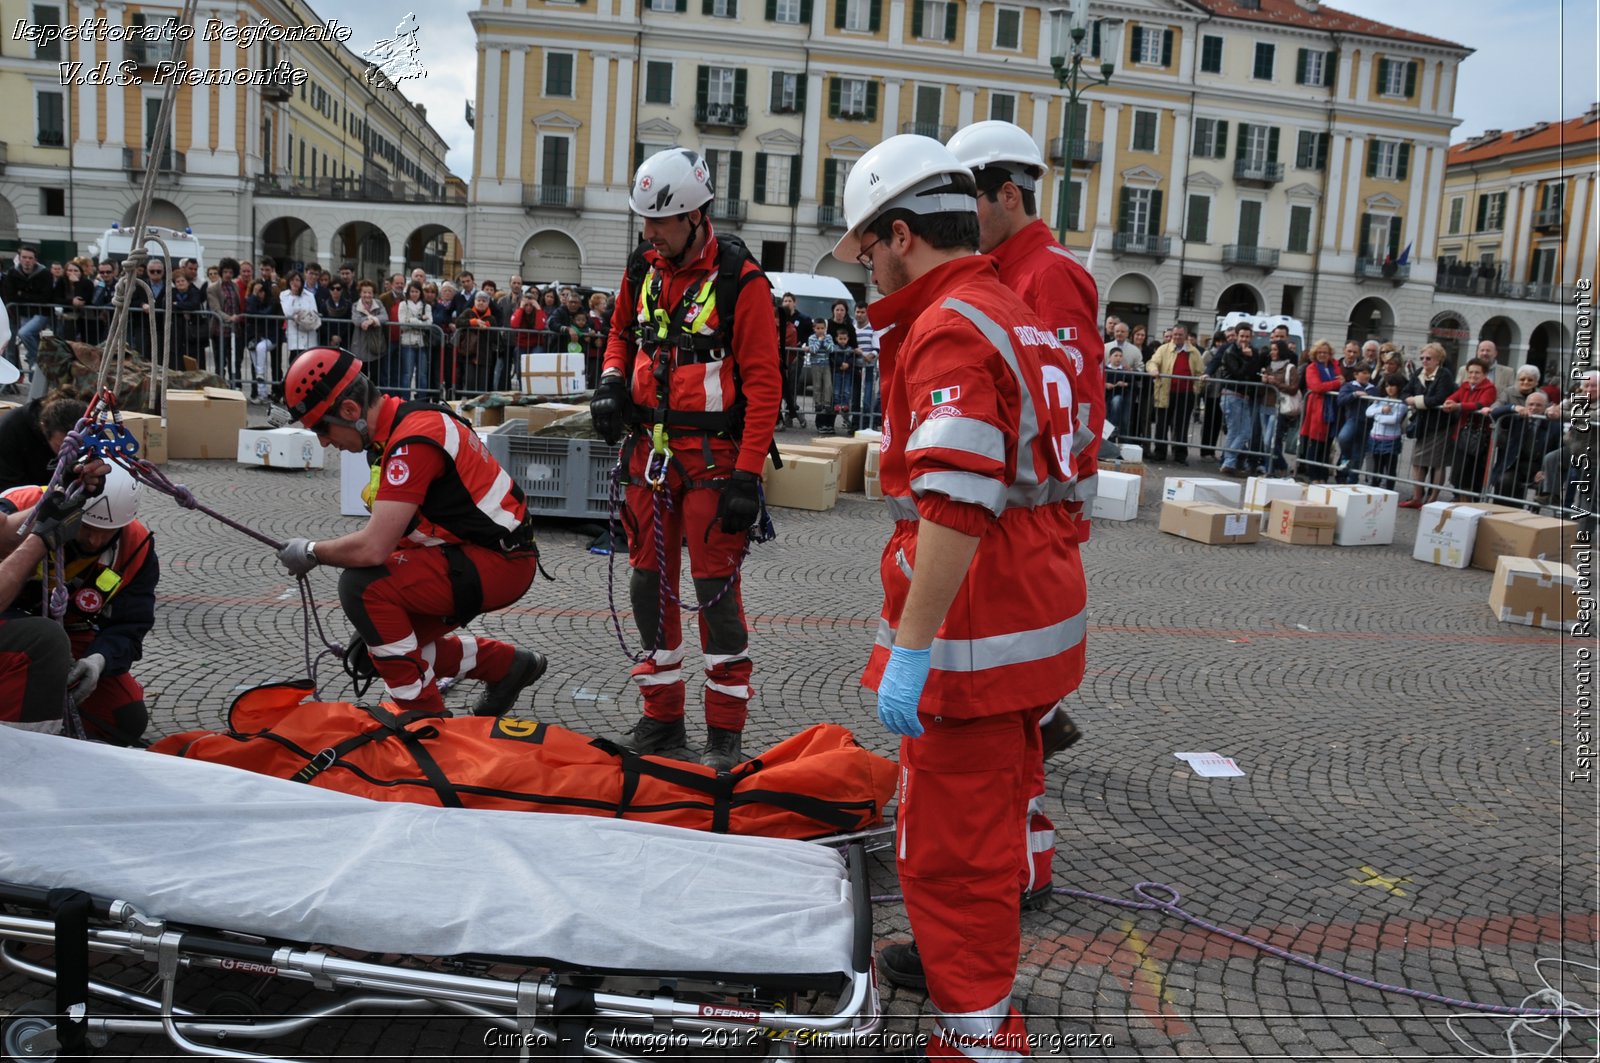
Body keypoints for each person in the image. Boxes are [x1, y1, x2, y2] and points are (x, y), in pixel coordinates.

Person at [831, 134, 1087, 1058]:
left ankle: (980, 1037)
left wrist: (912, 643)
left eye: (865, 251)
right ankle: (981, 1016)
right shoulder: (1002, 307)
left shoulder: (949, 325)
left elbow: (958, 498)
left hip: (975, 642)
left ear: (901, 235)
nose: (864, 271)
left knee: (950, 858)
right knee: (989, 828)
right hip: (1022, 622)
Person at [588, 147, 780, 771]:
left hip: (713, 461)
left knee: (715, 594)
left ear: (696, 216)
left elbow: (764, 383)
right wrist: (612, 381)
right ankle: (662, 717)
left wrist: (749, 475)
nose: (649, 232)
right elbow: (619, 332)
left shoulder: (740, 282)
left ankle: (724, 733)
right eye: (643, 221)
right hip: (649, 455)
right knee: (648, 585)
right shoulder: (641, 268)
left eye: (660, 222)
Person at [276, 348, 547, 717]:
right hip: (487, 553)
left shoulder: (411, 442)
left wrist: (310, 551)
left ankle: (423, 720)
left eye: (321, 428)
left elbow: (372, 549)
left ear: (351, 412)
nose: (323, 442)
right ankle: (507, 666)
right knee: (379, 651)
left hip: (499, 563)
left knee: (360, 588)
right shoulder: (403, 424)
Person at [0, 464, 156, 745]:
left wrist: (99, 660)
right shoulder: (20, 506)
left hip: (69, 633)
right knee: (42, 641)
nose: (95, 539)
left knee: (125, 716)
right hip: (13, 626)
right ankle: (21, 745)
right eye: (86, 528)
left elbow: (130, 625)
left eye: (106, 533)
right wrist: (38, 536)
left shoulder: (135, 547)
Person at [2, 246, 65, 398]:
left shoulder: (44, 274)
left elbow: (44, 297)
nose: (27, 261)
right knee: (13, 345)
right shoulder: (12, 273)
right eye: (24, 257)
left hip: (40, 314)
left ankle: (36, 359)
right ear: (20, 258)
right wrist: (27, 296)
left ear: (35, 260)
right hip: (19, 314)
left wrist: (22, 294)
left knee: (25, 333)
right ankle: (33, 366)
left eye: (30, 258)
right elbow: (10, 296)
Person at [1400, 343, 1457, 507]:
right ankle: (1417, 497)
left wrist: (1415, 400)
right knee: (1417, 460)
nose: (1424, 361)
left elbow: (1439, 399)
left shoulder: (1444, 375)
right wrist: (1410, 399)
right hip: (1423, 424)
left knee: (1437, 462)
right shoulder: (1419, 373)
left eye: (1428, 358)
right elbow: (1405, 392)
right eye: (1422, 358)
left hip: (1441, 424)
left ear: (1438, 360)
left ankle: (1432, 498)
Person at [0, 392, 88, 493]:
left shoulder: (87, 426)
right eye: (61, 446)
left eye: (79, 447)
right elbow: (7, 490)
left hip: (59, 492)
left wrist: (93, 479)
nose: (72, 453)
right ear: (43, 427)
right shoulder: (11, 430)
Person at [1217, 323, 1269, 477]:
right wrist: (1248, 359)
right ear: (1237, 336)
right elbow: (1239, 374)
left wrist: (1257, 364)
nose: (1244, 340)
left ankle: (1229, 462)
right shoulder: (1230, 351)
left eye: (1247, 337)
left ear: (1251, 337)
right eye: (1242, 336)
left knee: (1236, 432)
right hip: (1232, 395)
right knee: (1243, 432)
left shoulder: (1253, 352)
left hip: (1243, 397)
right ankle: (1229, 461)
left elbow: (1254, 371)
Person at [1442, 358, 1498, 496]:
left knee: (1472, 471)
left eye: (1477, 372)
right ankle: (1457, 497)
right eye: (1471, 372)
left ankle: (1472, 501)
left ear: (1484, 374)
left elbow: (1482, 404)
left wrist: (1459, 406)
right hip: (1461, 434)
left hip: (1478, 436)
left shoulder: (1489, 388)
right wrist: (1449, 403)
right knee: (1457, 470)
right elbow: (1452, 397)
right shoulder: (1465, 386)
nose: (1473, 375)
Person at [1145, 324, 1201, 464]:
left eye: (1179, 335)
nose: (1176, 337)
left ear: (1185, 336)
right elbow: (1152, 362)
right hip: (1165, 391)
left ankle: (1180, 455)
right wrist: (1153, 369)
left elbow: (1200, 372)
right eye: (1175, 334)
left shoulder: (1194, 352)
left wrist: (1196, 388)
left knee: (1181, 425)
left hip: (1185, 394)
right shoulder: (1163, 349)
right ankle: (1160, 452)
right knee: (1161, 424)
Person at [1489, 389, 1555, 507]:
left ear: (1545, 407)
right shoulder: (1516, 419)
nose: (1534, 408)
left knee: (1545, 486)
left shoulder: (1553, 425)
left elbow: (1555, 451)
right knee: (1505, 480)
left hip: (1538, 466)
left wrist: (1545, 471)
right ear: (1525, 405)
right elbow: (1493, 414)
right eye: (1531, 404)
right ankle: (1501, 514)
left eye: (1538, 405)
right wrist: (1513, 407)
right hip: (1515, 463)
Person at [1297, 340, 1343, 483]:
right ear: (1315, 354)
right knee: (1316, 444)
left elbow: (1341, 382)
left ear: (1330, 355)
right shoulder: (1311, 368)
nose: (1323, 355)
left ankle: (1323, 476)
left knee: (1327, 445)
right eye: (1320, 352)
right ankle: (1314, 475)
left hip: (1332, 409)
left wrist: (1338, 383)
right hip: (1318, 410)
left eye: (1325, 352)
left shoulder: (1334, 367)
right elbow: (1316, 387)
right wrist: (1336, 383)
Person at [1333, 364, 1377, 483]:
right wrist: (1355, 394)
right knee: (1343, 437)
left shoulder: (1373, 388)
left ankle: (1352, 479)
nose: (1367, 375)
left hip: (1367, 423)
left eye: (1368, 373)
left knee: (1359, 453)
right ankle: (1346, 457)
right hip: (1353, 418)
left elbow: (1377, 403)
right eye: (1363, 373)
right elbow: (1340, 400)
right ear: (1356, 375)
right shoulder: (1349, 386)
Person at [1364, 374, 1408, 489]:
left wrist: (1377, 416)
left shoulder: (1401, 403)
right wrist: (1381, 410)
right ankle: (1374, 487)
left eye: (1393, 386)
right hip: (1376, 437)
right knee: (1376, 466)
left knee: (1390, 467)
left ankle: (1389, 489)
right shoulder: (1381, 400)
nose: (1390, 388)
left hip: (1391, 438)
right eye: (1387, 386)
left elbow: (1394, 419)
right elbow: (1368, 412)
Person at [206, 257, 245, 381]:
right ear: (221, 272)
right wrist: (229, 318)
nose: (228, 275)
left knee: (235, 360)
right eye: (225, 272)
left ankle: (236, 385)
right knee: (220, 362)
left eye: (231, 272)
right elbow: (215, 309)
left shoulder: (235, 286)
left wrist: (237, 318)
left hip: (235, 330)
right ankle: (220, 386)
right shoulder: (213, 288)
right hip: (220, 330)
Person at [774, 292, 808, 428]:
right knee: (780, 395)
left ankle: (795, 415)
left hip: (785, 366)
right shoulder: (773, 326)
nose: (775, 320)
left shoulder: (791, 330)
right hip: (774, 365)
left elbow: (783, 346)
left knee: (786, 395)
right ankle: (782, 419)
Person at [279, 271, 320, 383]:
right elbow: (288, 313)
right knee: (295, 367)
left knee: (309, 368)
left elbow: (313, 314)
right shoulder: (284, 295)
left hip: (309, 336)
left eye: (297, 280)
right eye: (292, 280)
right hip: (295, 337)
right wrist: (293, 295)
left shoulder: (309, 295)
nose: (295, 283)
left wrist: (299, 315)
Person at [243, 279, 280, 403]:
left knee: (260, 349)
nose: (259, 294)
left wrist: (257, 312)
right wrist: (253, 295)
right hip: (255, 337)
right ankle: (262, 394)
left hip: (270, 337)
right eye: (256, 291)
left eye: (261, 291)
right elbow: (250, 312)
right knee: (255, 358)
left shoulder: (273, 302)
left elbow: (265, 313)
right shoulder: (252, 301)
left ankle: (260, 375)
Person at [804, 317, 838, 434]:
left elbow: (832, 349)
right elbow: (813, 350)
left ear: (825, 328)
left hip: (826, 364)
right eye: (818, 328)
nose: (820, 330)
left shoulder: (828, 337)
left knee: (828, 385)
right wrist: (819, 341)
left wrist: (824, 342)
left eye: (822, 328)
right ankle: (818, 403)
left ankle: (827, 404)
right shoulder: (811, 338)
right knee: (817, 386)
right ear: (814, 329)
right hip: (815, 365)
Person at [854, 303, 880, 430]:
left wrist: (870, 355)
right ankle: (855, 423)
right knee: (855, 397)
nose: (859, 315)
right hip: (854, 367)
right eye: (857, 312)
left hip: (869, 368)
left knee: (868, 396)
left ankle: (866, 424)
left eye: (862, 312)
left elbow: (877, 348)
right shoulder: (853, 328)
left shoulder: (873, 329)